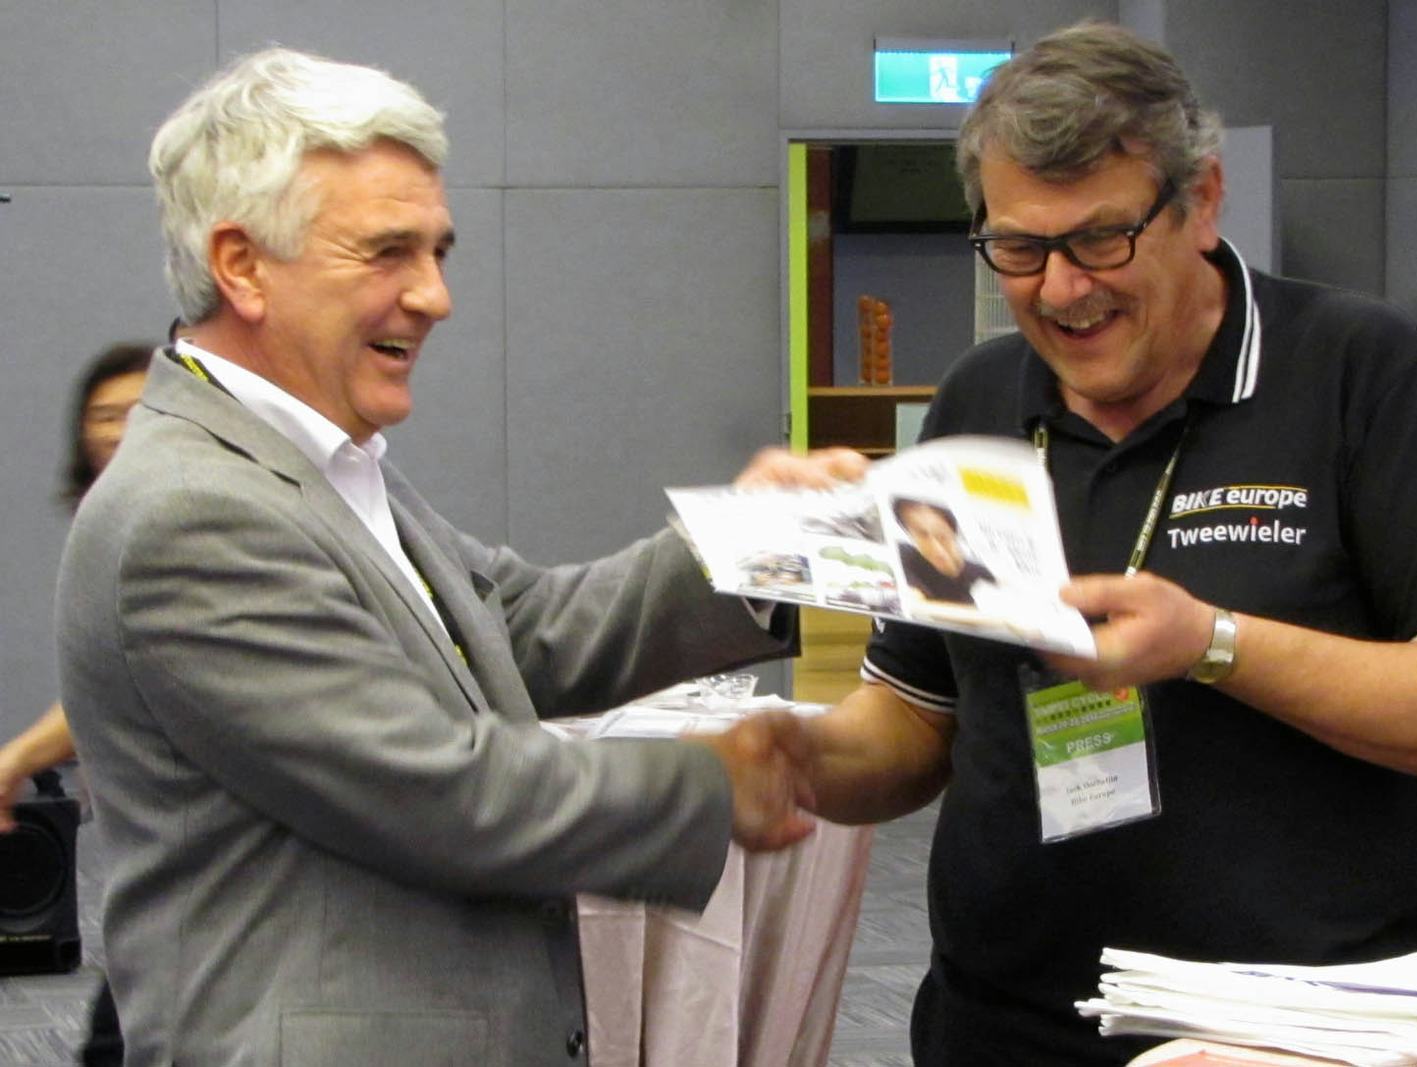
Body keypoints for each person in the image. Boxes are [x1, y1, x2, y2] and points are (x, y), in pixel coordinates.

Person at [55, 48, 862, 1067]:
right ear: (242, 265)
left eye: (438, 251)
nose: (434, 296)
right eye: (387, 252)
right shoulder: (192, 511)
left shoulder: (319, 465)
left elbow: (519, 629)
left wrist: (753, 547)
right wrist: (706, 785)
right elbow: (435, 790)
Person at [795, 22, 1417, 1066]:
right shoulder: (978, 398)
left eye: (1100, 239)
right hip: (1005, 1024)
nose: (1062, 289)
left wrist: (1212, 643)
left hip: (1290, 1033)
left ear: (1202, 200)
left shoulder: (1356, 372)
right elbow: (915, 715)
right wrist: (791, 760)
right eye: (1019, 248)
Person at [0, 342, 151, 1067]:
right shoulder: (107, 522)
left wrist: (16, 759)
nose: (119, 429)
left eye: (136, 410)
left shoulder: (168, 523)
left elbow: (132, 672)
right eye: (104, 414)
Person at [890, 497, 996, 606]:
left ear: (953, 530)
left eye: (941, 535)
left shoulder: (982, 574)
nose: (936, 548)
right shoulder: (905, 557)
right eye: (922, 534)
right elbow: (912, 596)